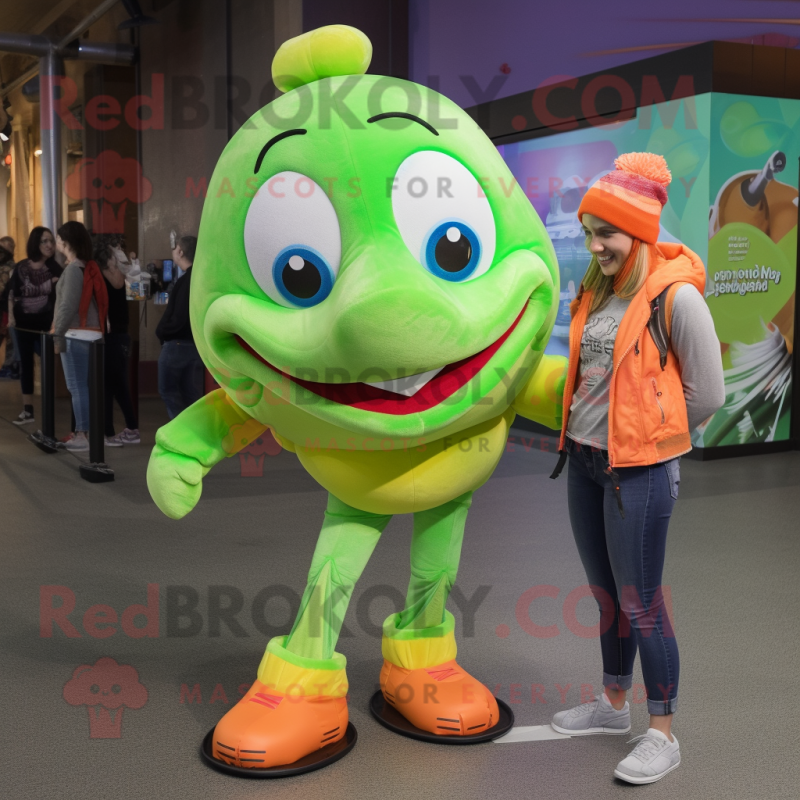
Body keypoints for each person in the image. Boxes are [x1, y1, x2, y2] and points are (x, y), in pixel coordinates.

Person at [549, 153, 725, 785]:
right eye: (590, 232)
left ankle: (662, 733)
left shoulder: (676, 299)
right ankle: (612, 706)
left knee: (642, 601)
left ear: (641, 233)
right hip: (586, 464)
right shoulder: (595, 292)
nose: (596, 245)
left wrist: (655, 442)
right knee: (608, 597)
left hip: (641, 473)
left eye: (608, 234)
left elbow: (707, 394)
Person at [52, 221, 104, 452]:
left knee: (77, 386)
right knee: (84, 386)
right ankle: (86, 431)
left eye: (57, 239)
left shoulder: (74, 270)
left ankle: (82, 433)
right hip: (89, 334)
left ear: (64, 242)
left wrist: (57, 335)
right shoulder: (85, 266)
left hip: (75, 334)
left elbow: (67, 306)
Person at [6, 228, 62, 423]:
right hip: (22, 325)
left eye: (51, 241)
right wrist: (11, 319)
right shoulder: (21, 267)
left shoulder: (56, 269)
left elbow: (61, 299)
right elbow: (12, 294)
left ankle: (48, 408)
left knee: (48, 364)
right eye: (44, 241)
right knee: (26, 365)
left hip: (46, 326)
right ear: (35, 243)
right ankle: (27, 409)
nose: (49, 245)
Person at [94, 242, 140, 445]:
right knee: (114, 384)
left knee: (113, 385)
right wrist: (133, 267)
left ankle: (126, 427)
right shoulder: (124, 277)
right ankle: (111, 429)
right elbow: (138, 295)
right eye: (115, 255)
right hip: (121, 336)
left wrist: (133, 266)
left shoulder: (100, 280)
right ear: (110, 261)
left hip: (109, 336)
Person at [155, 234, 204, 419]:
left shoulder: (184, 282)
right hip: (194, 345)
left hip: (176, 345)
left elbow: (179, 317)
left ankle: (182, 431)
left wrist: (162, 331)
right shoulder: (199, 279)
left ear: (181, 252)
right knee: (189, 392)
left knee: (168, 390)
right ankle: (198, 430)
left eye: (174, 249)